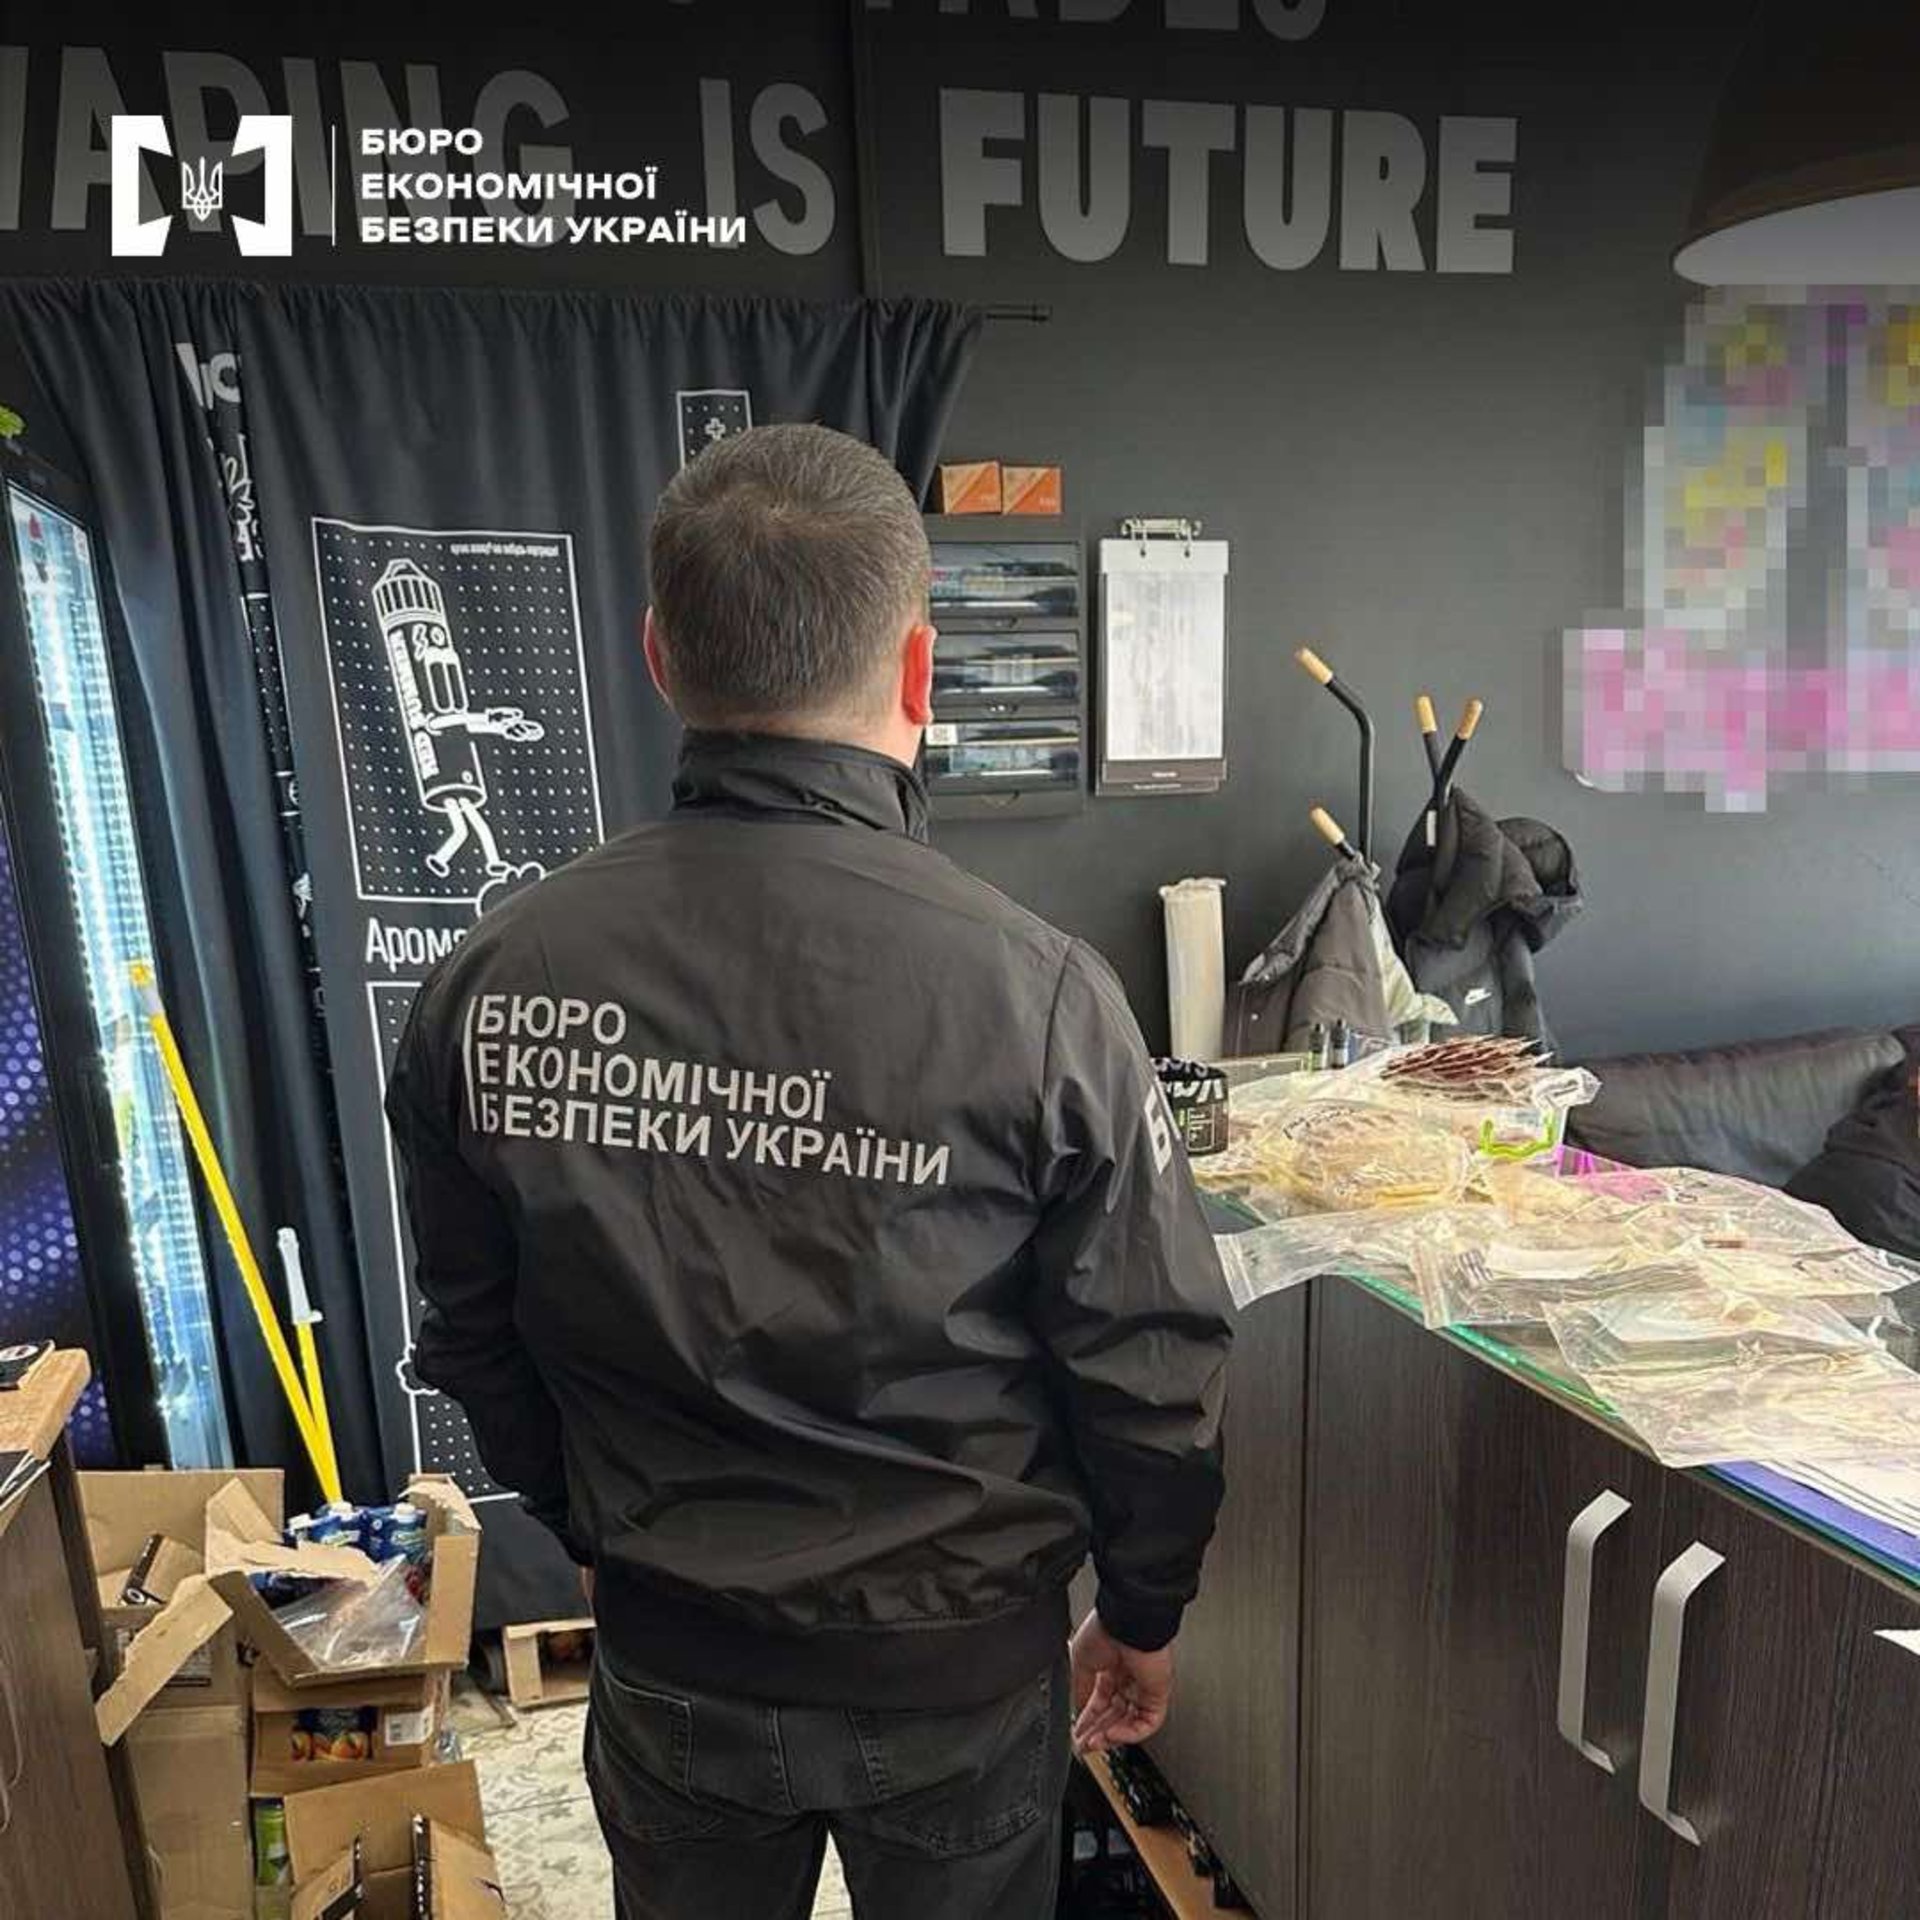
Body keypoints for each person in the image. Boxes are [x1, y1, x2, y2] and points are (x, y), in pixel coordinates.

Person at [386, 422, 1233, 1920]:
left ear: (659, 657)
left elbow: (471, 1337)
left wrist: (596, 1534)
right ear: (919, 671)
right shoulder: (1040, 993)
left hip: (675, 1653)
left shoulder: (490, 979)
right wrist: (1143, 1610)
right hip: (955, 1672)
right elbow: (1147, 1367)